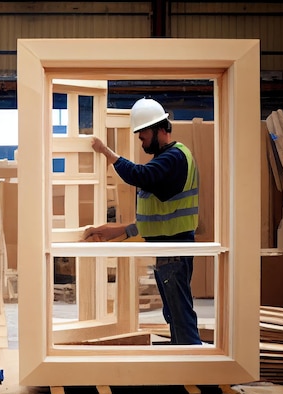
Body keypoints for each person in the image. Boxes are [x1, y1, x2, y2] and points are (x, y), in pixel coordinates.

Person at [83, 98, 202, 345]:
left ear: (160, 129)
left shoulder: (175, 158)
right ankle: (185, 359)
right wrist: (117, 230)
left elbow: (141, 176)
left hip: (174, 251)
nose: (141, 139)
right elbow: (156, 218)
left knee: (180, 314)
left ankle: (193, 365)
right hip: (168, 250)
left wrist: (106, 152)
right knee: (174, 313)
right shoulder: (166, 159)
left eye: (142, 134)